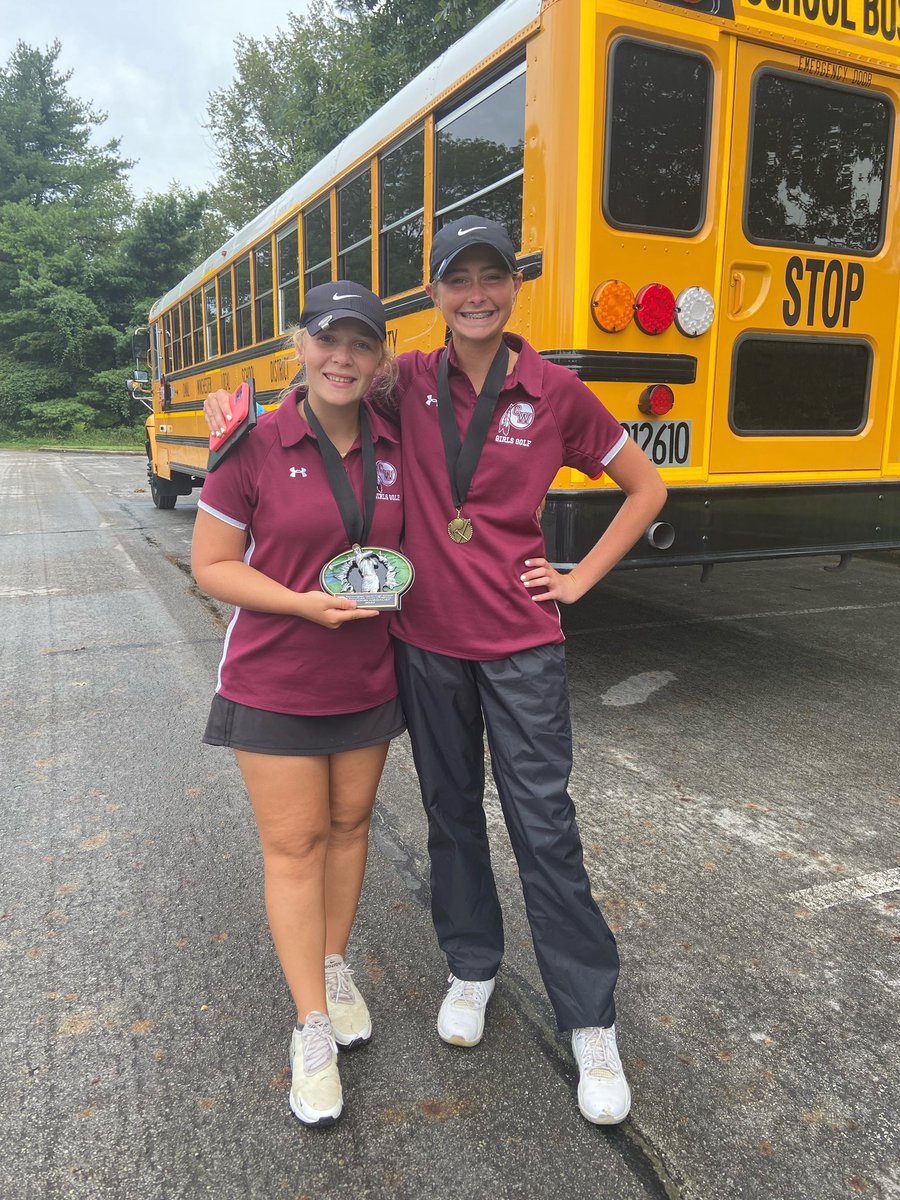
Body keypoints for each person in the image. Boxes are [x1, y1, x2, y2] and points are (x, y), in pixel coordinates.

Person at [206, 217, 667, 1125]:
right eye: (459, 280)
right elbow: (323, 386)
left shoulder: (558, 390)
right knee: (451, 816)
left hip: (523, 646)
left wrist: (576, 579)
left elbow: (646, 488)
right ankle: (471, 966)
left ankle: (590, 1021)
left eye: (494, 277)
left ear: (515, 286)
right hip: (423, 644)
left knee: (544, 824)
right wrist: (243, 419)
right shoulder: (404, 379)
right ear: (436, 295)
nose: (477, 296)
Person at [192, 281, 405, 1127]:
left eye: (359, 344)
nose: (342, 358)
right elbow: (213, 565)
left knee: (351, 827)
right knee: (295, 845)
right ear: (299, 345)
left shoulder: (396, 443)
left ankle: (334, 963)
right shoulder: (249, 442)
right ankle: (310, 1024)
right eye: (328, 340)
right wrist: (302, 602)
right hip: (275, 678)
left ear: (379, 357)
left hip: (366, 680)